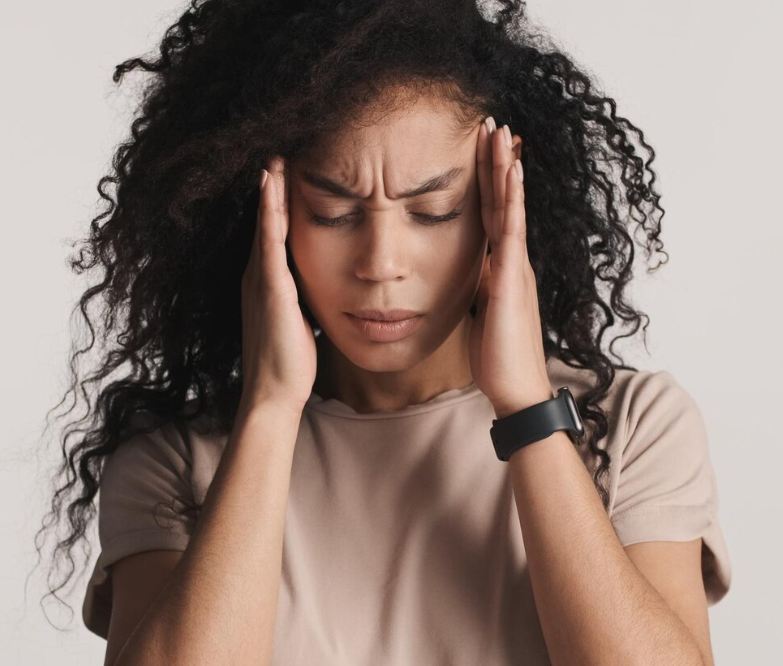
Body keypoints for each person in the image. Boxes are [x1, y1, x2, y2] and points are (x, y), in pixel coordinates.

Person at [34, 1, 731, 665]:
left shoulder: (629, 428)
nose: (381, 266)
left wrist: (526, 408)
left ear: (500, 195)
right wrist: (270, 411)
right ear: (260, 212)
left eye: (432, 211)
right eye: (333, 213)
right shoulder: (176, 465)